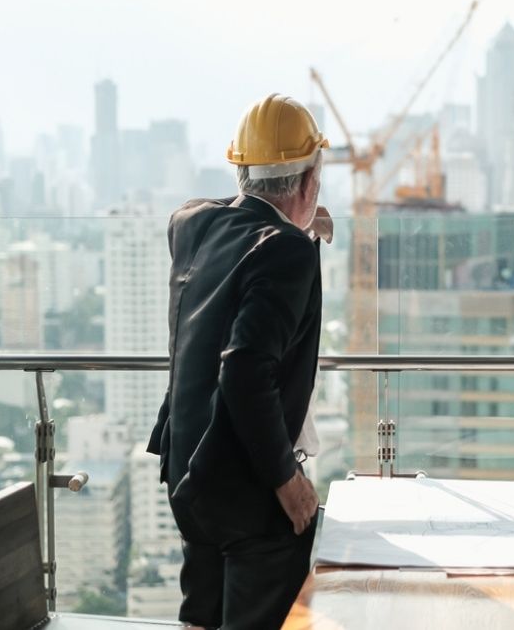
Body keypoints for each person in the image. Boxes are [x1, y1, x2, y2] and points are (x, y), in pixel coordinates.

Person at [148, 93, 330, 629]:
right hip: (251, 492)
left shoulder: (192, 226)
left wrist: (297, 217)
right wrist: (286, 480)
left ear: (242, 173)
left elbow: (221, 211)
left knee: (200, 619)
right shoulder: (287, 251)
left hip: (190, 474)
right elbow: (246, 368)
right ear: (305, 183)